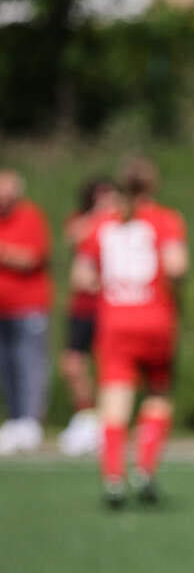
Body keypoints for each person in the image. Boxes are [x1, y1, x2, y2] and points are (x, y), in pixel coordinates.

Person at [71, 157, 188, 506]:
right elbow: (176, 266)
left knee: (114, 401)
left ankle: (112, 477)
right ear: (153, 184)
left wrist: (106, 282)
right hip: (154, 320)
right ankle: (145, 467)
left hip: (115, 322)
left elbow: (81, 276)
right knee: (158, 393)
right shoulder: (164, 220)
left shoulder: (102, 224)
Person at [58, 176, 121, 456]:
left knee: (109, 367)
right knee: (72, 363)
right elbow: (74, 236)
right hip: (83, 307)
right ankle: (86, 417)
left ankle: (109, 424)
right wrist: (100, 215)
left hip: (111, 307)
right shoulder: (85, 222)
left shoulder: (123, 224)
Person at [0, 169, 52, 455]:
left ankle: (31, 421)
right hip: (2, 309)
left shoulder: (31, 216)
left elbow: (32, 257)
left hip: (28, 307)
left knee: (29, 365)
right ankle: (15, 419)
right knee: (6, 367)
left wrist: (5, 252)